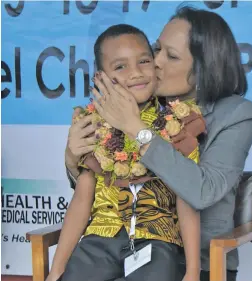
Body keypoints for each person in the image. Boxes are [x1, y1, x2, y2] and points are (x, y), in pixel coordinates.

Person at [65, 6, 252, 281]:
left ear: (204, 66)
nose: (154, 63)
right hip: (122, 249)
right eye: (156, 50)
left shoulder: (237, 114)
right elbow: (101, 182)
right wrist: (73, 160)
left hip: (199, 262)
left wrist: (136, 128)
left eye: (171, 56)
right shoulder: (142, 101)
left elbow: (203, 191)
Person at [48, 24, 202, 281]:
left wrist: (193, 271)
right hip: (100, 240)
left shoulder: (178, 120)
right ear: (101, 77)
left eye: (144, 61)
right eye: (121, 66)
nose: (136, 73)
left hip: (157, 240)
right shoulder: (91, 123)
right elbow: (82, 199)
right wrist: (56, 270)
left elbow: (188, 198)